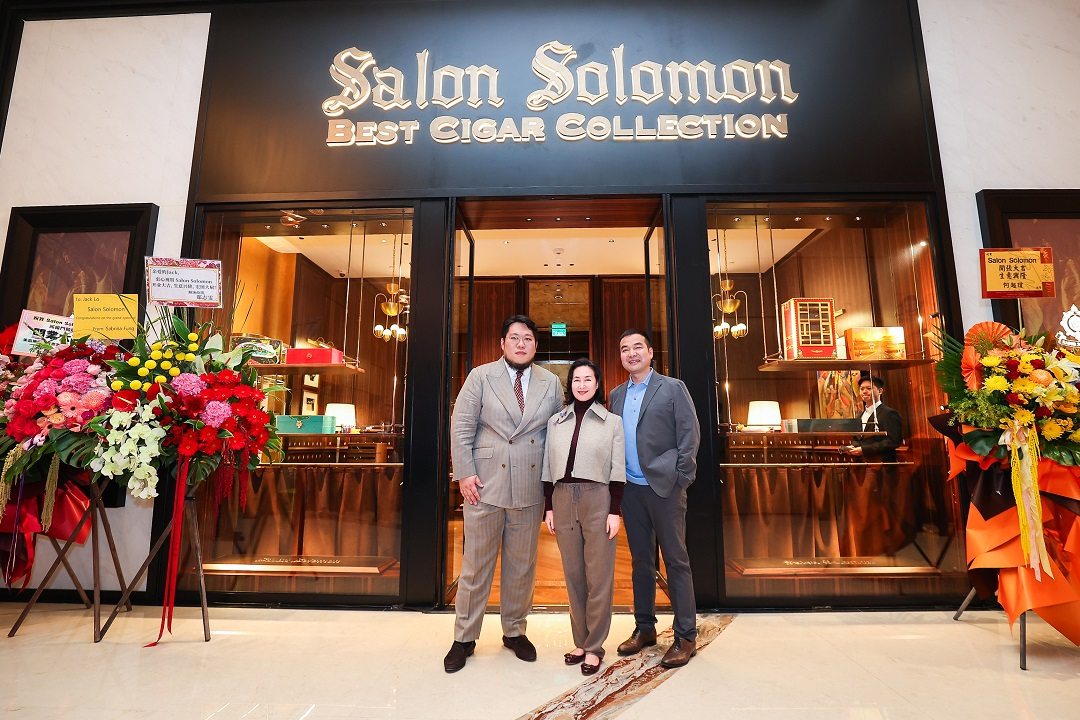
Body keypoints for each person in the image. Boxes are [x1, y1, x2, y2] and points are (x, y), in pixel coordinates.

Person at [444, 314, 562, 673]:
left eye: (528, 338)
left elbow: (557, 433)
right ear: (502, 343)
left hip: (530, 484)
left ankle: (514, 631)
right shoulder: (481, 376)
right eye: (514, 338)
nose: (521, 344)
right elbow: (461, 425)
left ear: (536, 345)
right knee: (476, 565)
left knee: (522, 566)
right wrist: (464, 472)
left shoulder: (550, 383)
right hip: (484, 484)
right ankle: (464, 637)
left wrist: (553, 486)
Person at [609, 329, 701, 669]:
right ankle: (645, 627)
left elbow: (689, 434)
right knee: (641, 562)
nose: (631, 353)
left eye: (638, 347)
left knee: (676, 561)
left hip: (665, 488)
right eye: (625, 349)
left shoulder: (673, 388)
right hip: (631, 490)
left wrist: (681, 479)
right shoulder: (616, 394)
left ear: (650, 352)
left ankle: (686, 636)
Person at [541, 358, 626, 676]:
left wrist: (614, 511)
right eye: (576, 379)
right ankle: (580, 641)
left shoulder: (612, 422)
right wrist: (549, 506)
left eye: (588, 379)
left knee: (598, 576)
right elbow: (548, 466)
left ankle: (595, 646)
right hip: (562, 498)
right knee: (573, 574)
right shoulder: (556, 421)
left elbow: (618, 469)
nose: (582, 384)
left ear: (597, 383)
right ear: (570, 384)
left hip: (598, 498)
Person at [847, 374, 903, 461]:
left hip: (882, 463)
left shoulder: (889, 413)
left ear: (880, 391)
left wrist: (864, 450)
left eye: (869, 388)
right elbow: (858, 439)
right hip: (861, 463)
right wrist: (852, 447)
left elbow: (894, 441)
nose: (864, 391)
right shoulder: (860, 415)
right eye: (862, 389)